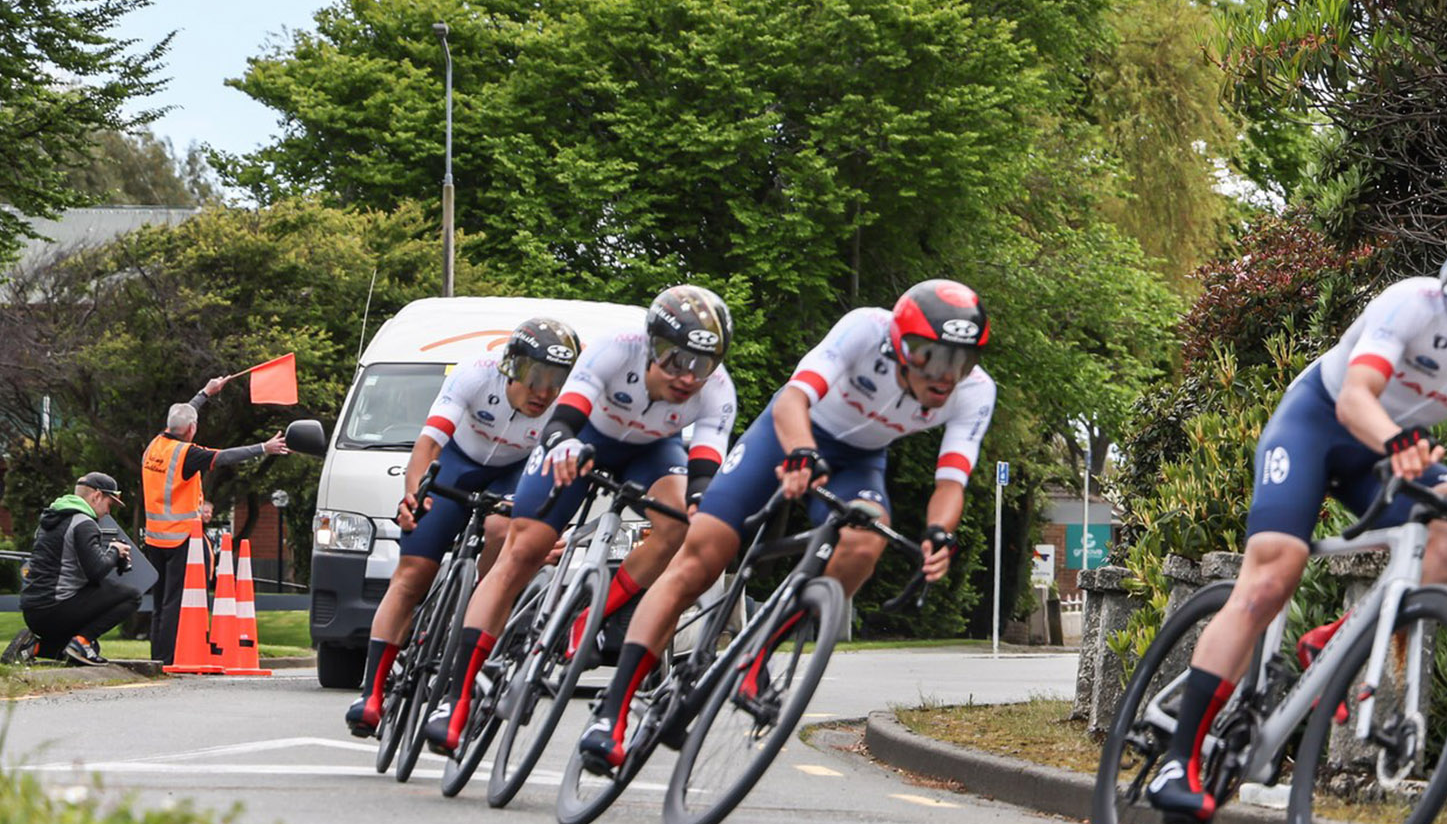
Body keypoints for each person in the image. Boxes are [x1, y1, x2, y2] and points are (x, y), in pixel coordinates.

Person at [1144, 216, 1447, 824]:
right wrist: (1398, 441)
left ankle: (1339, 638)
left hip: (1391, 447)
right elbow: (1355, 399)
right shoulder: (1411, 305)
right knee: (1274, 574)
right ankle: (1177, 758)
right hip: (1318, 425)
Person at [577, 278, 996, 773]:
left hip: (860, 463)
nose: (947, 376)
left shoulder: (976, 391)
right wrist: (802, 451)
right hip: (789, 433)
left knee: (865, 541)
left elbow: (951, 481)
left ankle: (758, 656)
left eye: (961, 361)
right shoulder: (864, 328)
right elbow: (796, 398)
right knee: (700, 558)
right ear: (900, 343)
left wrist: (939, 533)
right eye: (934, 356)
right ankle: (612, 712)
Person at [421, 286, 739, 757]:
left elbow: (704, 469)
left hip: (651, 450)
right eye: (675, 359)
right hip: (586, 435)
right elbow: (562, 420)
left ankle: (594, 615)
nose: (687, 377)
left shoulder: (718, 390)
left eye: (702, 365)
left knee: (678, 526)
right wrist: (563, 442)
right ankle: (457, 698)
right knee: (521, 550)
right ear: (652, 344)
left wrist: (701, 504)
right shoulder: (616, 348)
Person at [342, 316, 582, 737]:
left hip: (516, 472)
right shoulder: (476, 373)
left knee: (502, 530)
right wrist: (413, 495)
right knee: (412, 574)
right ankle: (372, 694)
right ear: (510, 366)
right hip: (459, 463)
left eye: (555, 381)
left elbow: (559, 478)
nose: (543, 392)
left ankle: (479, 600)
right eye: (533, 377)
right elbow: (428, 445)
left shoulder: (565, 407)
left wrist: (545, 529)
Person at [141, 376, 291, 662]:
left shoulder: (155, 445)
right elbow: (224, 457)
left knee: (159, 601)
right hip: (180, 537)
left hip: (153, 537)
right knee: (174, 601)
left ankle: (157, 656)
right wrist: (264, 447)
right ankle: (168, 658)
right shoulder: (187, 453)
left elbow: (184, 414)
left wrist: (205, 393)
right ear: (192, 430)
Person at [20, 475, 142, 665]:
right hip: (56, 608)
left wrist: (111, 557)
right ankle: (81, 643)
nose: (108, 512)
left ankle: (33, 648)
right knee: (131, 596)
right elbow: (96, 572)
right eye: (109, 504)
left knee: (89, 650)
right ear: (97, 496)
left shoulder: (52, 519)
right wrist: (114, 551)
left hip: (33, 610)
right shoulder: (83, 522)